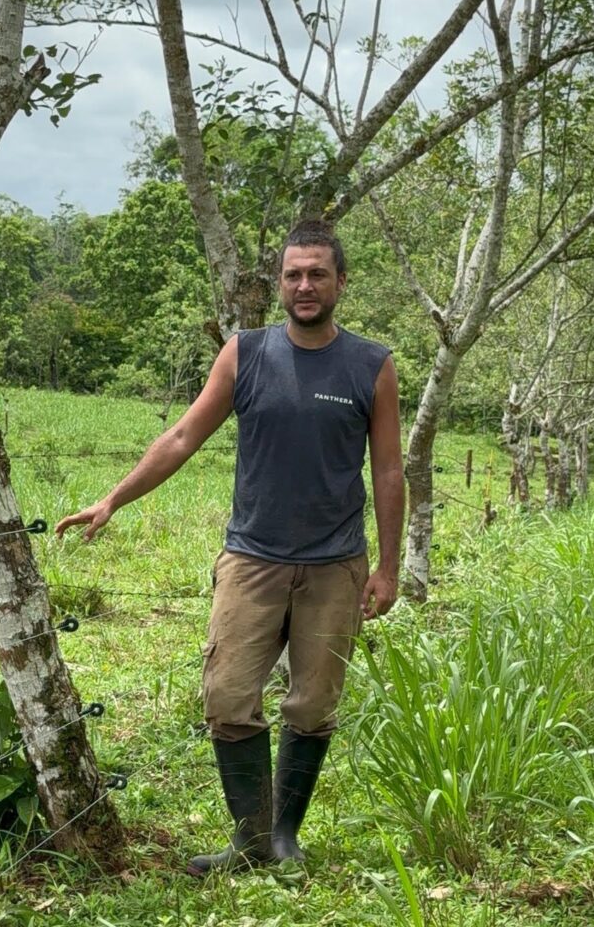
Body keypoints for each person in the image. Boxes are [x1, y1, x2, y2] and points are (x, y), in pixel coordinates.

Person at [56, 218, 404, 874]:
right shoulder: (245, 353)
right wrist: (112, 498)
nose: (304, 285)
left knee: (312, 703)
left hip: (335, 565)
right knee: (227, 695)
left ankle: (281, 838)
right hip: (251, 560)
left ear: (340, 282)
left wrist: (386, 566)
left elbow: (387, 469)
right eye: (292, 274)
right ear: (279, 283)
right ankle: (247, 839)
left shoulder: (370, 364)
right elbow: (183, 436)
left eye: (316, 273)